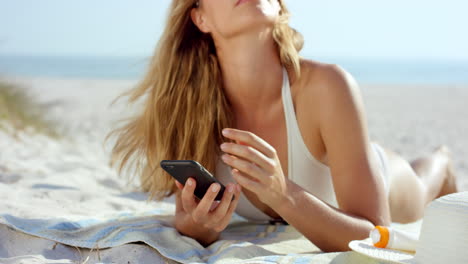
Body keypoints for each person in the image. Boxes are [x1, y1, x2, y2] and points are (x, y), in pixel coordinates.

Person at [106, 0, 458, 252]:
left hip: (385, 178)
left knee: (422, 187)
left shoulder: (327, 85)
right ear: (199, 17)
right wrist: (198, 227)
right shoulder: (187, 108)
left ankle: (440, 162)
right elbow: (188, 221)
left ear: (279, 6)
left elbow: (375, 233)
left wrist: (283, 193)